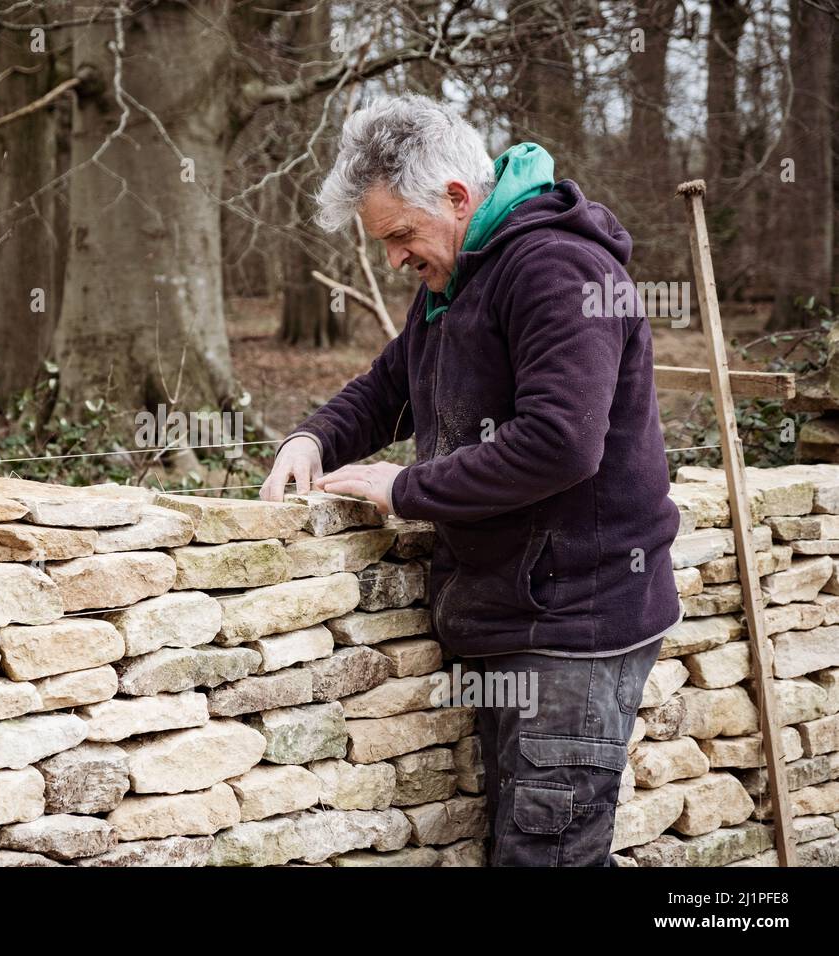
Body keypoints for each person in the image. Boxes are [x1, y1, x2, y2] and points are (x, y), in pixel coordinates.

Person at [260, 94, 682, 866]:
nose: (394, 259)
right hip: (515, 615)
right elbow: (390, 387)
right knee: (537, 843)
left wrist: (404, 489)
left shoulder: (557, 269)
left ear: (457, 198)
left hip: (575, 626)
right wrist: (312, 437)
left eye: (400, 236)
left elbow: (560, 444)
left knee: (547, 853)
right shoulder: (459, 275)